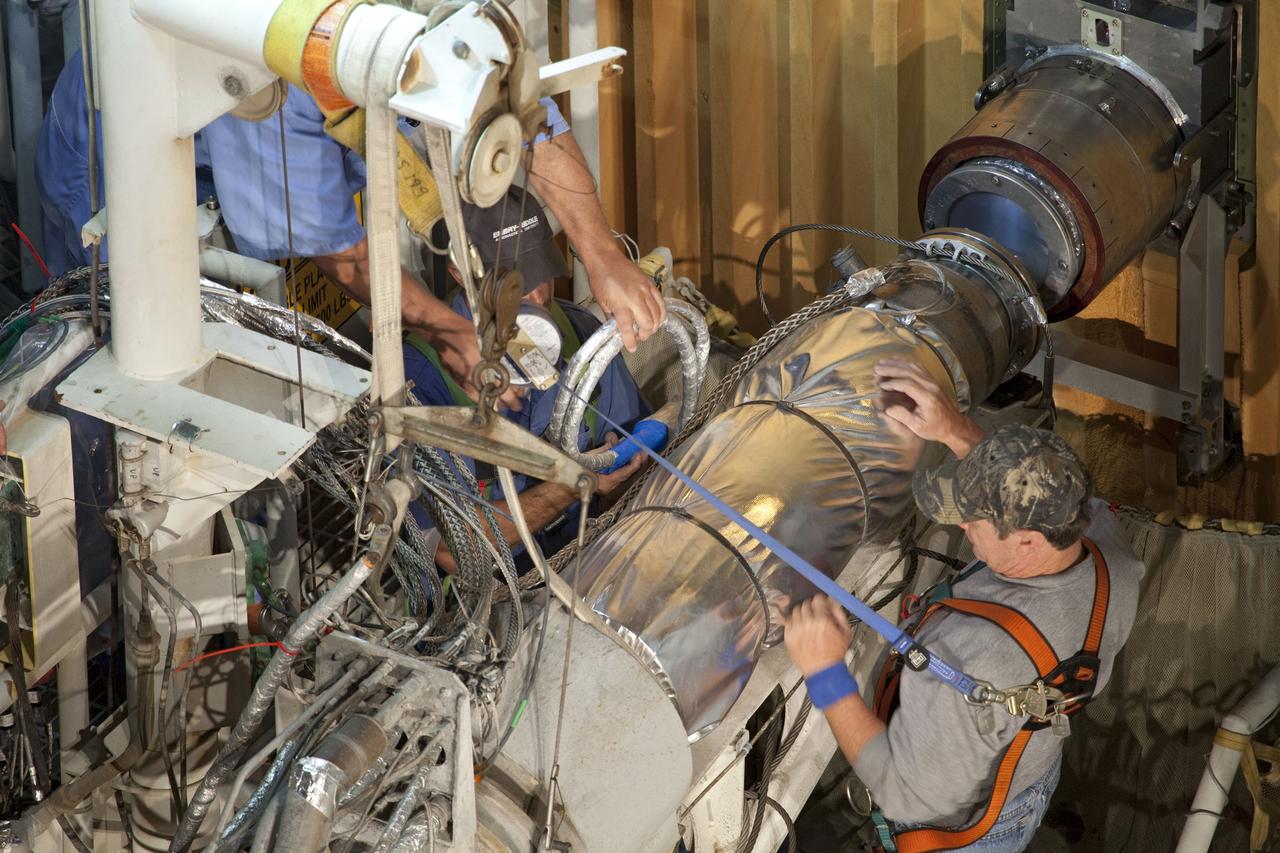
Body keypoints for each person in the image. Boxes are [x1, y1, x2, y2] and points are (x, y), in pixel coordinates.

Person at [35, 50, 665, 401]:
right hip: (124, 172)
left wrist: (603, 255)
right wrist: (450, 331)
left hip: (298, 119)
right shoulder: (273, 80)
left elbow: (526, 116)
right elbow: (339, 253)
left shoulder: (434, 18)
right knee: (139, 365)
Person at [784, 358, 1144, 852]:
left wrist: (823, 669)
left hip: (960, 832)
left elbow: (903, 793)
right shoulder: (1105, 544)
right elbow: (1038, 488)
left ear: (1025, 542)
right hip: (1028, 774)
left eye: (973, 520)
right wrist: (954, 428)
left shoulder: (968, 659)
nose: (960, 528)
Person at [404, 186, 648, 573]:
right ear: (460, 274)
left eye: (541, 272)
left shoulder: (579, 333)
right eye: (516, 281)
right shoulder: (421, 379)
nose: (536, 293)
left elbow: (641, 457)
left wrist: (624, 473)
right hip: (494, 602)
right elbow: (455, 549)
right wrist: (572, 486)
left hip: (589, 561)